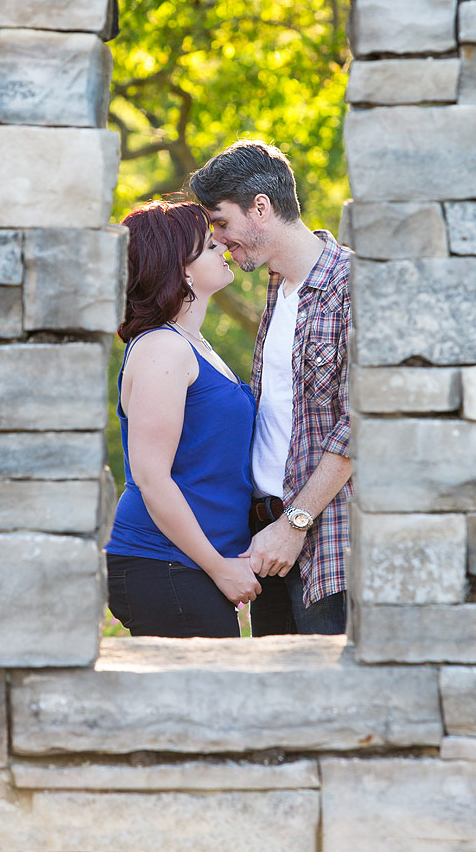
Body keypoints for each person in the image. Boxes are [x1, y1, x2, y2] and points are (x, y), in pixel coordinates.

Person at [190, 141, 352, 636]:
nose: (218, 240)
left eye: (220, 222)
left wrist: (294, 524)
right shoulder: (277, 288)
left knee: (329, 704)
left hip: (321, 545)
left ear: (260, 207)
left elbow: (361, 422)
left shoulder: (351, 284)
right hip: (266, 542)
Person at [105, 200, 261, 638]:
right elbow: (151, 478)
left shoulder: (191, 343)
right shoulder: (162, 348)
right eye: (211, 246)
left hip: (187, 564)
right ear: (183, 270)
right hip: (160, 561)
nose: (225, 249)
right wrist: (219, 568)